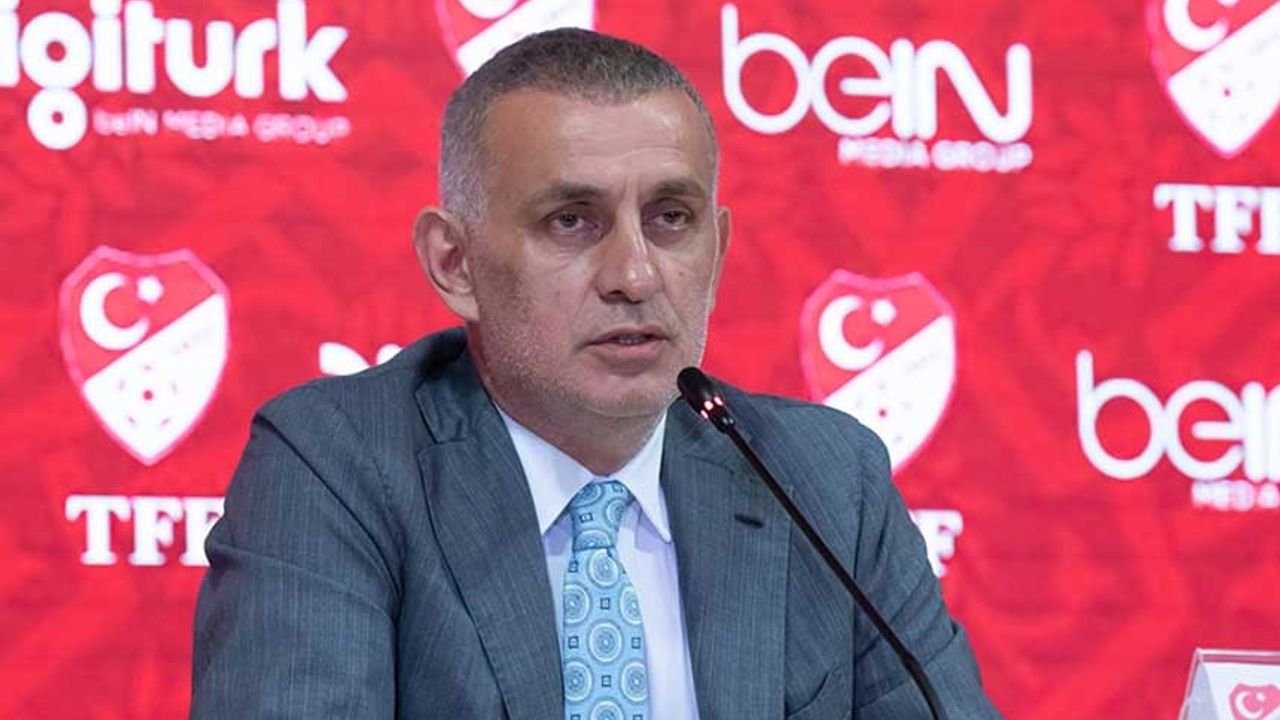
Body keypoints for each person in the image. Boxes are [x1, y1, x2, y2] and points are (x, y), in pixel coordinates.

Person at [190, 28, 1000, 720]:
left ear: (717, 250)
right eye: (572, 221)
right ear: (454, 263)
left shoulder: (825, 480)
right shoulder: (340, 463)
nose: (636, 275)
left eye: (671, 219)